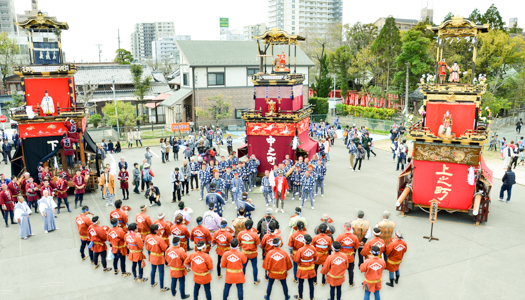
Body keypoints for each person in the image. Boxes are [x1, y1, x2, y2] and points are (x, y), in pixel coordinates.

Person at [145, 224, 170, 292]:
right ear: (156, 230)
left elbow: (147, 247)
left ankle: (152, 283)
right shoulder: (159, 238)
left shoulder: (147, 237)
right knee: (161, 272)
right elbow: (164, 248)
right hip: (159, 257)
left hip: (152, 255)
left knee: (153, 270)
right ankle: (161, 287)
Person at [293, 234, 317, 300]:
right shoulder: (313, 248)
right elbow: (315, 258)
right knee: (311, 284)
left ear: (304, 241)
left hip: (302, 270)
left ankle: (300, 297)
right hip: (311, 269)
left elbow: (296, 259)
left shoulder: (300, 250)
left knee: (300, 284)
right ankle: (311, 297)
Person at [335, 222, 360, 287]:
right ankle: (351, 283)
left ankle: (338, 282)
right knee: (351, 270)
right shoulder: (354, 237)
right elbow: (357, 246)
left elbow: (336, 245)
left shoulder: (340, 236)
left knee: (339, 269)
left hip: (341, 256)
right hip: (350, 256)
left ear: (344, 228)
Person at [238, 219, 261, 285]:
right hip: (253, 254)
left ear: (245, 225)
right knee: (254, 267)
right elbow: (258, 244)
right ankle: (255, 281)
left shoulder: (240, 233)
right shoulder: (254, 234)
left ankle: (242, 279)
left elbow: (238, 243)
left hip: (244, 253)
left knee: (243, 267)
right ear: (251, 226)